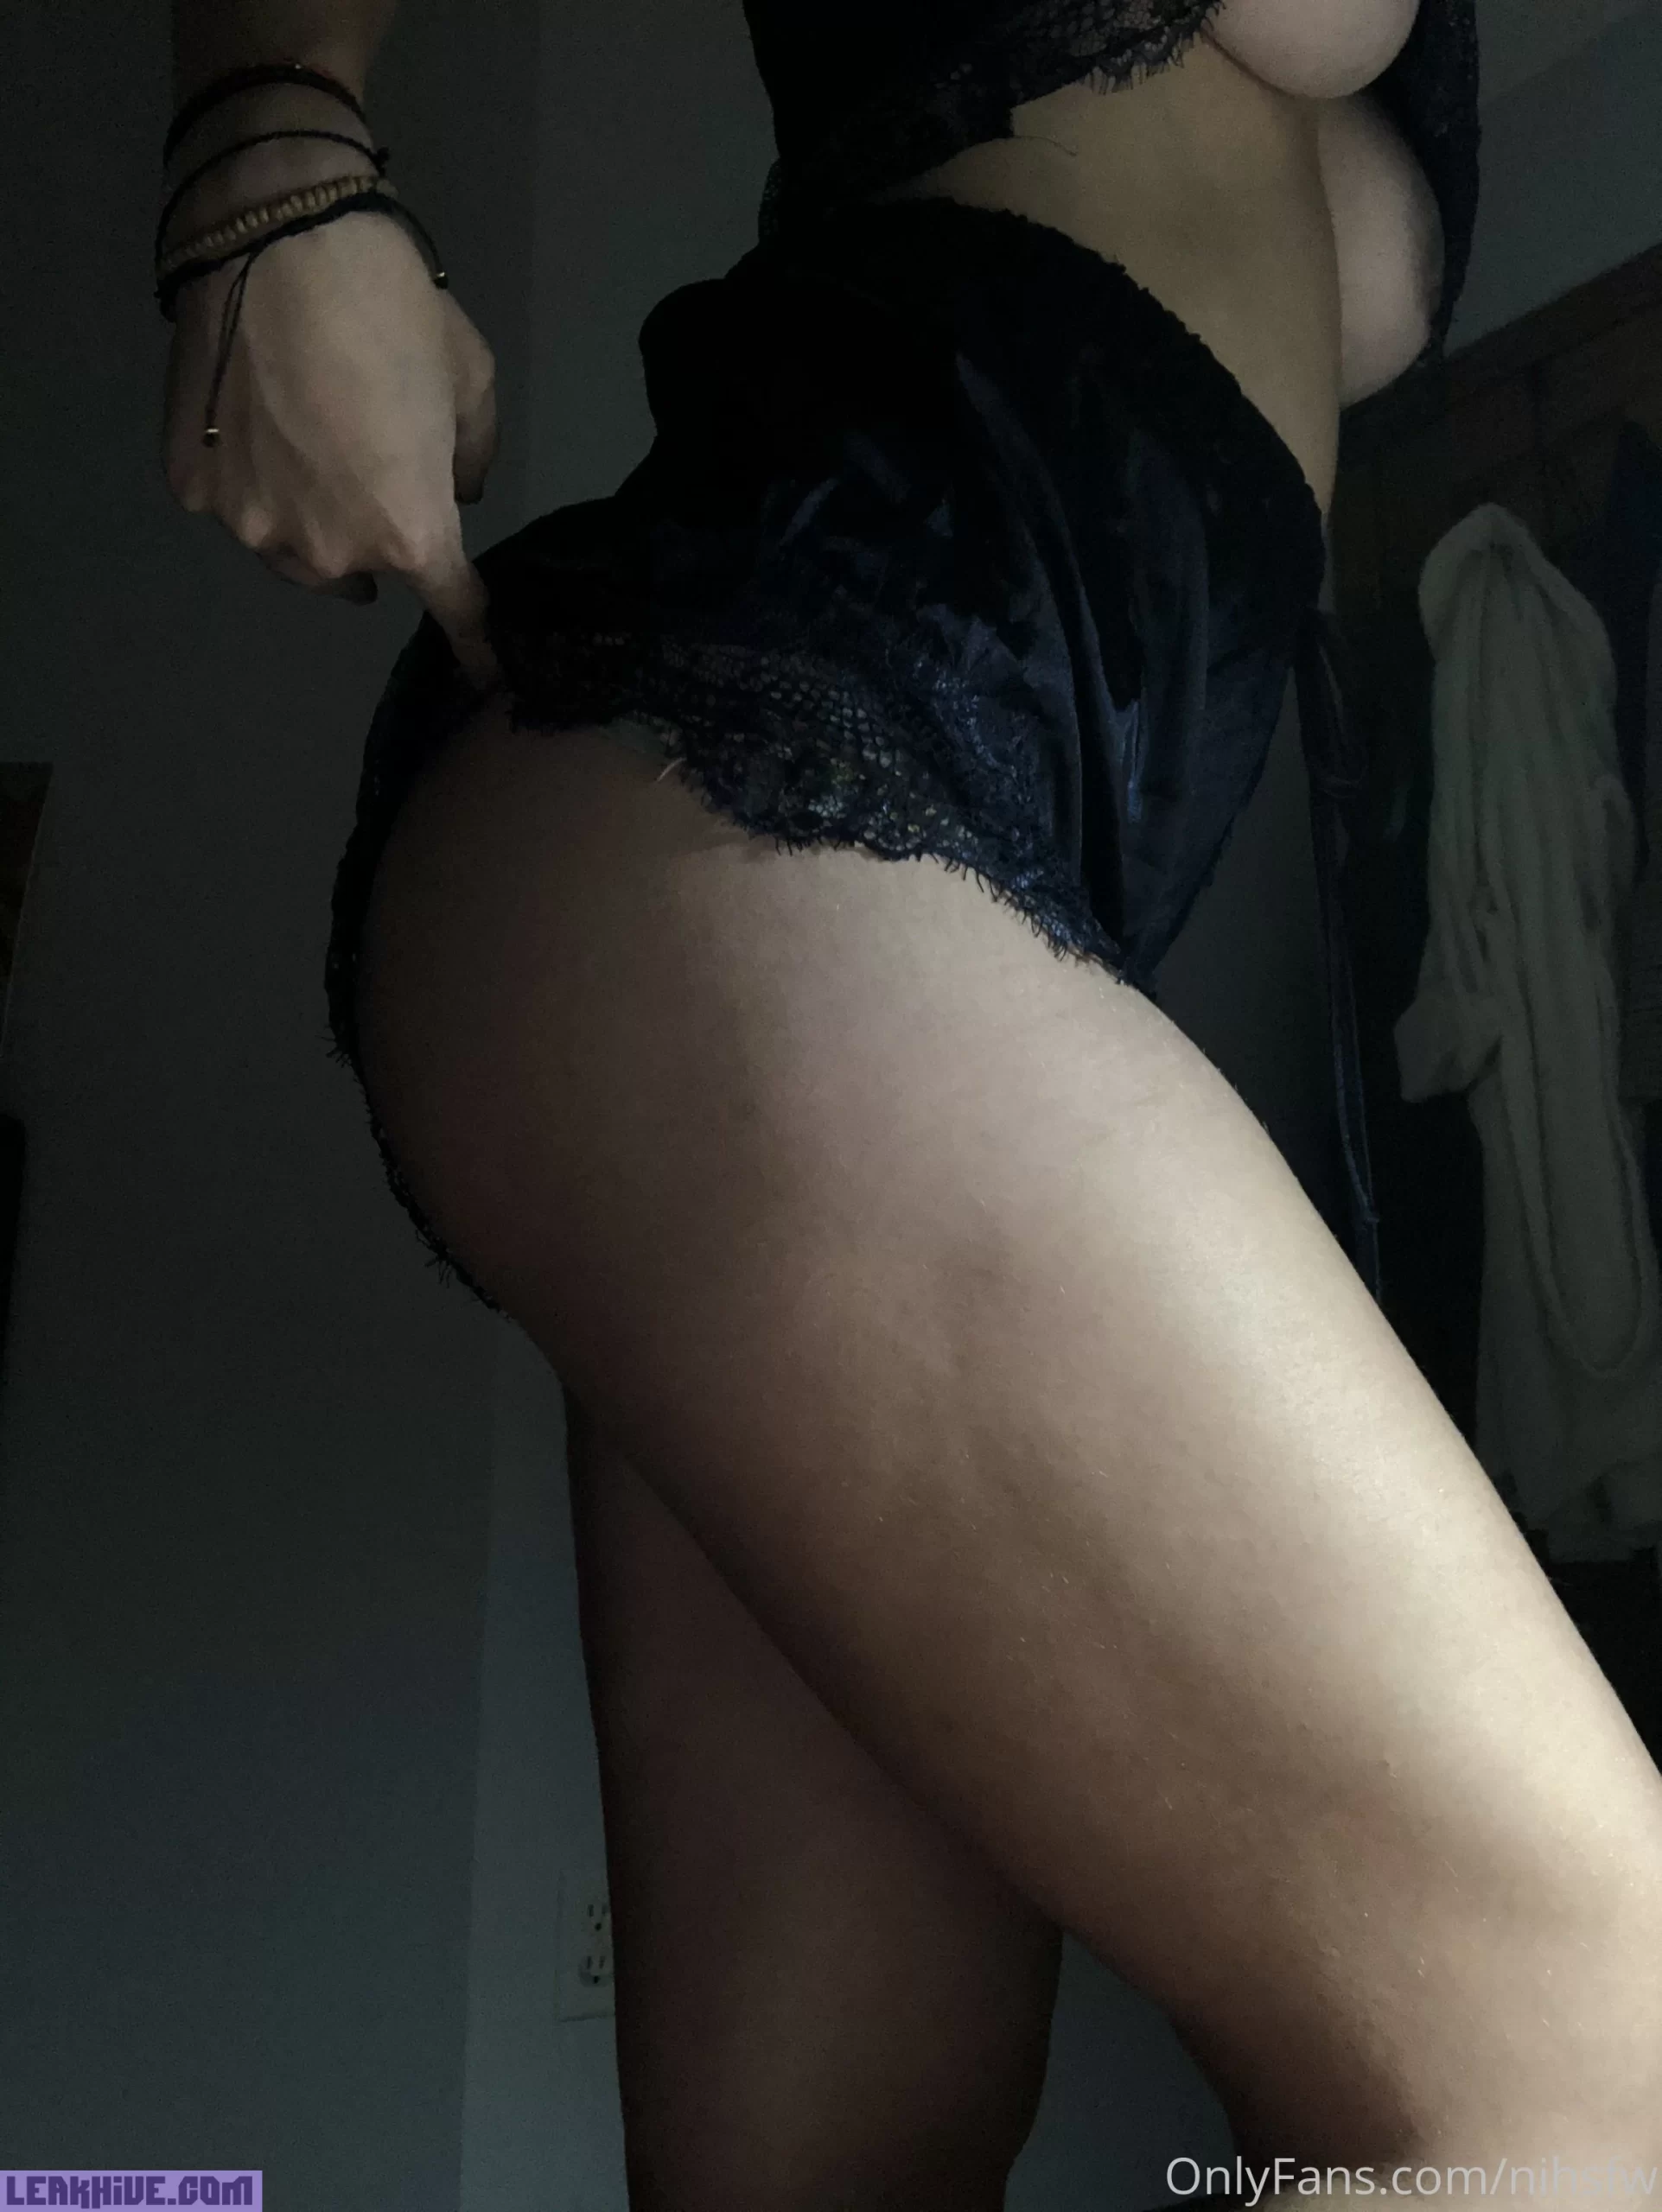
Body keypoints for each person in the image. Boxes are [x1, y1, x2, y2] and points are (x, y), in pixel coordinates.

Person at [157, 3, 1662, 2206]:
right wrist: (268, 154)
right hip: (767, 737)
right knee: (1587, 2056)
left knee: (838, 2160)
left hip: (846, 880)